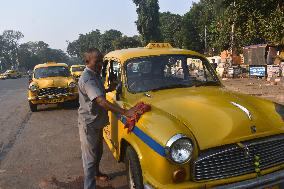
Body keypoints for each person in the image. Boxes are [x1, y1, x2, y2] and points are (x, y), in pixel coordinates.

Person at [78, 48, 136, 189]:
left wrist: (110, 88)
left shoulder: (96, 75)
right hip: (89, 124)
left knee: (98, 152)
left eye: (101, 61)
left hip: (97, 121)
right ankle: (89, 186)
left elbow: (100, 93)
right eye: (97, 61)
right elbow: (101, 101)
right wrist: (125, 112)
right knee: (90, 160)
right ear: (87, 62)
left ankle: (97, 173)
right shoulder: (87, 79)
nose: (100, 65)